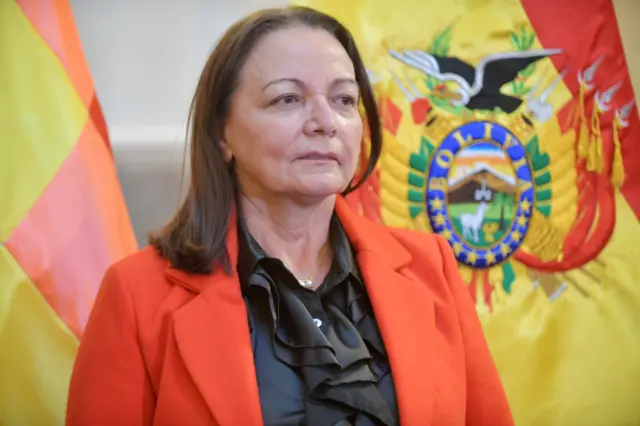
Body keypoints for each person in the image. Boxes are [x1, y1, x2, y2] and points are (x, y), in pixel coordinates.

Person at [66, 6, 514, 426]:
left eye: (343, 100)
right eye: (287, 99)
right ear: (222, 133)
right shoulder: (136, 296)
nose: (325, 121)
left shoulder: (429, 266)